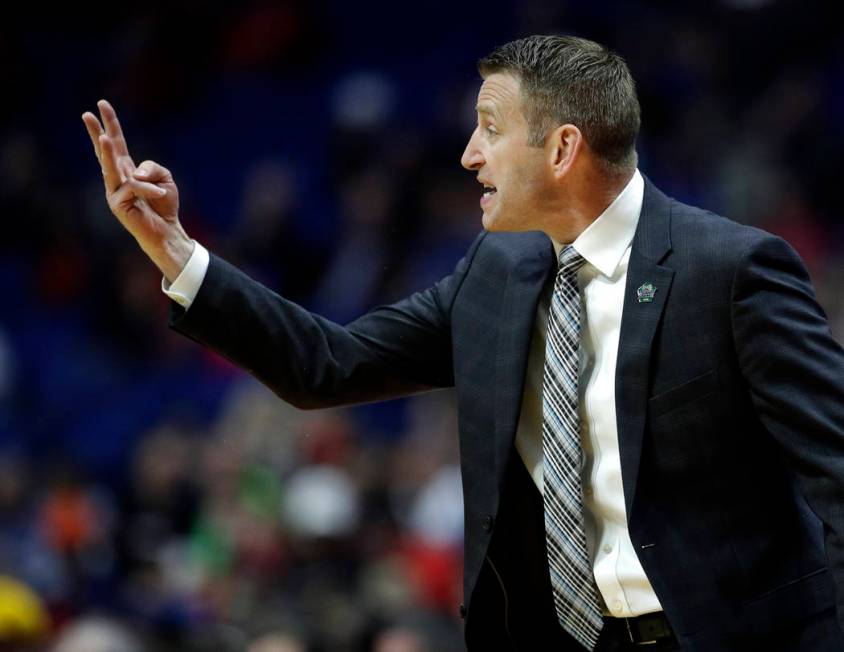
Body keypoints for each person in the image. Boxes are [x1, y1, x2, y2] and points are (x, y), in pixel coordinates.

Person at [82, 35, 844, 651]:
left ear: (562, 148)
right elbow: (328, 365)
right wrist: (176, 253)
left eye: (489, 128)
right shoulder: (497, 270)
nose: (468, 155)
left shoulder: (731, 270)